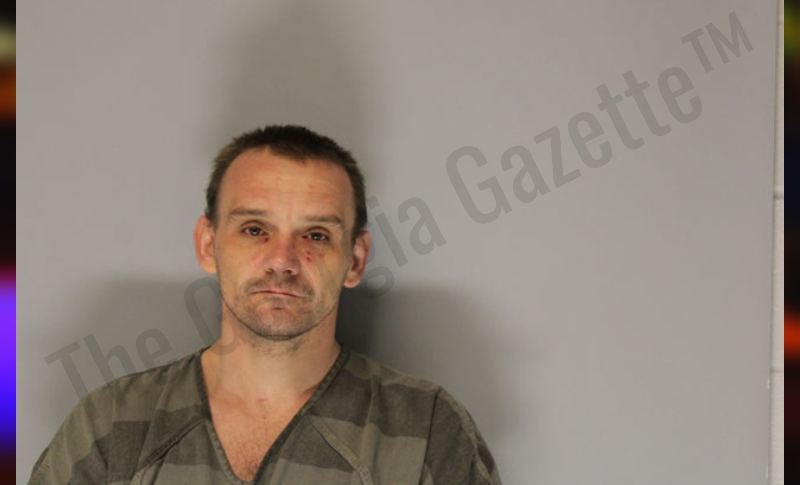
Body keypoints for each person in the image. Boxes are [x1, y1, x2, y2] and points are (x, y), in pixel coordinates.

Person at [29, 125, 502, 485]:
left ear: (356, 259)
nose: (283, 260)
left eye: (316, 235)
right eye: (255, 230)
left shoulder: (426, 431)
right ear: (208, 244)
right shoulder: (112, 425)